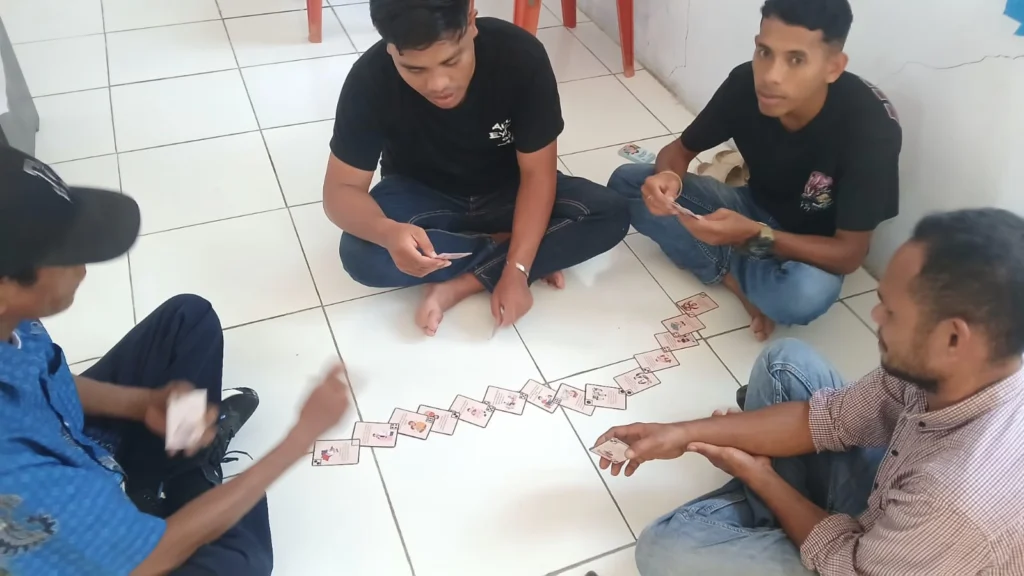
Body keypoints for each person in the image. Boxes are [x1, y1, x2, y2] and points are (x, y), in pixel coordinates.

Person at [595, 208, 1024, 575]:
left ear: (953, 338)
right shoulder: (953, 370)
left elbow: (849, 567)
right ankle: (786, 505)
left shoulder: (955, 502)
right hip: (895, 499)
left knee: (666, 549)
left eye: (891, 312)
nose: (875, 315)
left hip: (874, 557)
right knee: (784, 363)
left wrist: (761, 477)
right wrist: (680, 433)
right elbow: (832, 418)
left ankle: (776, 502)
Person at [0, 145, 351, 575]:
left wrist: (141, 403)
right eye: (67, 254)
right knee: (239, 560)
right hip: (66, 529)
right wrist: (301, 437)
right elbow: (148, 561)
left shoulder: (12, 320)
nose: (85, 267)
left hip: (69, 452)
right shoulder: (13, 470)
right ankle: (181, 490)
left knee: (188, 320)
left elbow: (43, 380)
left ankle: (166, 484)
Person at [324, 0, 630, 336]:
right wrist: (387, 232)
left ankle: (466, 280)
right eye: (414, 69)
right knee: (360, 254)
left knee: (609, 213)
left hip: (508, 189)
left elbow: (537, 174)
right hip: (422, 196)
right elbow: (340, 191)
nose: (438, 83)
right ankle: (529, 247)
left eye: (451, 60)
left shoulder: (519, 56)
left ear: (471, 19)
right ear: (389, 47)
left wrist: (517, 270)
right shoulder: (370, 78)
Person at [607, 0, 901, 341]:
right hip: (750, 205)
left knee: (801, 296)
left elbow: (849, 254)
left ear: (833, 67)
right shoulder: (744, 84)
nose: (771, 76)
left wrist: (752, 235)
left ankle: (725, 256)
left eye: (796, 60)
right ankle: (736, 280)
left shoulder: (871, 130)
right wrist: (668, 179)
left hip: (812, 244)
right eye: (764, 52)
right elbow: (679, 151)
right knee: (629, 184)